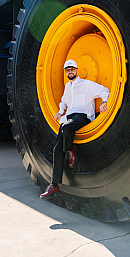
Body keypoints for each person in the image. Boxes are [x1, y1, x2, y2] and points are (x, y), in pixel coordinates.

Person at [40, 59, 110, 199]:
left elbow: (104, 90)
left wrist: (104, 103)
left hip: (83, 117)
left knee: (66, 127)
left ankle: (70, 148)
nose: (70, 72)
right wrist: (60, 111)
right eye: (67, 70)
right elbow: (64, 101)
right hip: (69, 117)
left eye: (72, 69)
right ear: (66, 73)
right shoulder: (67, 87)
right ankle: (54, 185)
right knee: (56, 149)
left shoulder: (86, 85)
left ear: (77, 70)